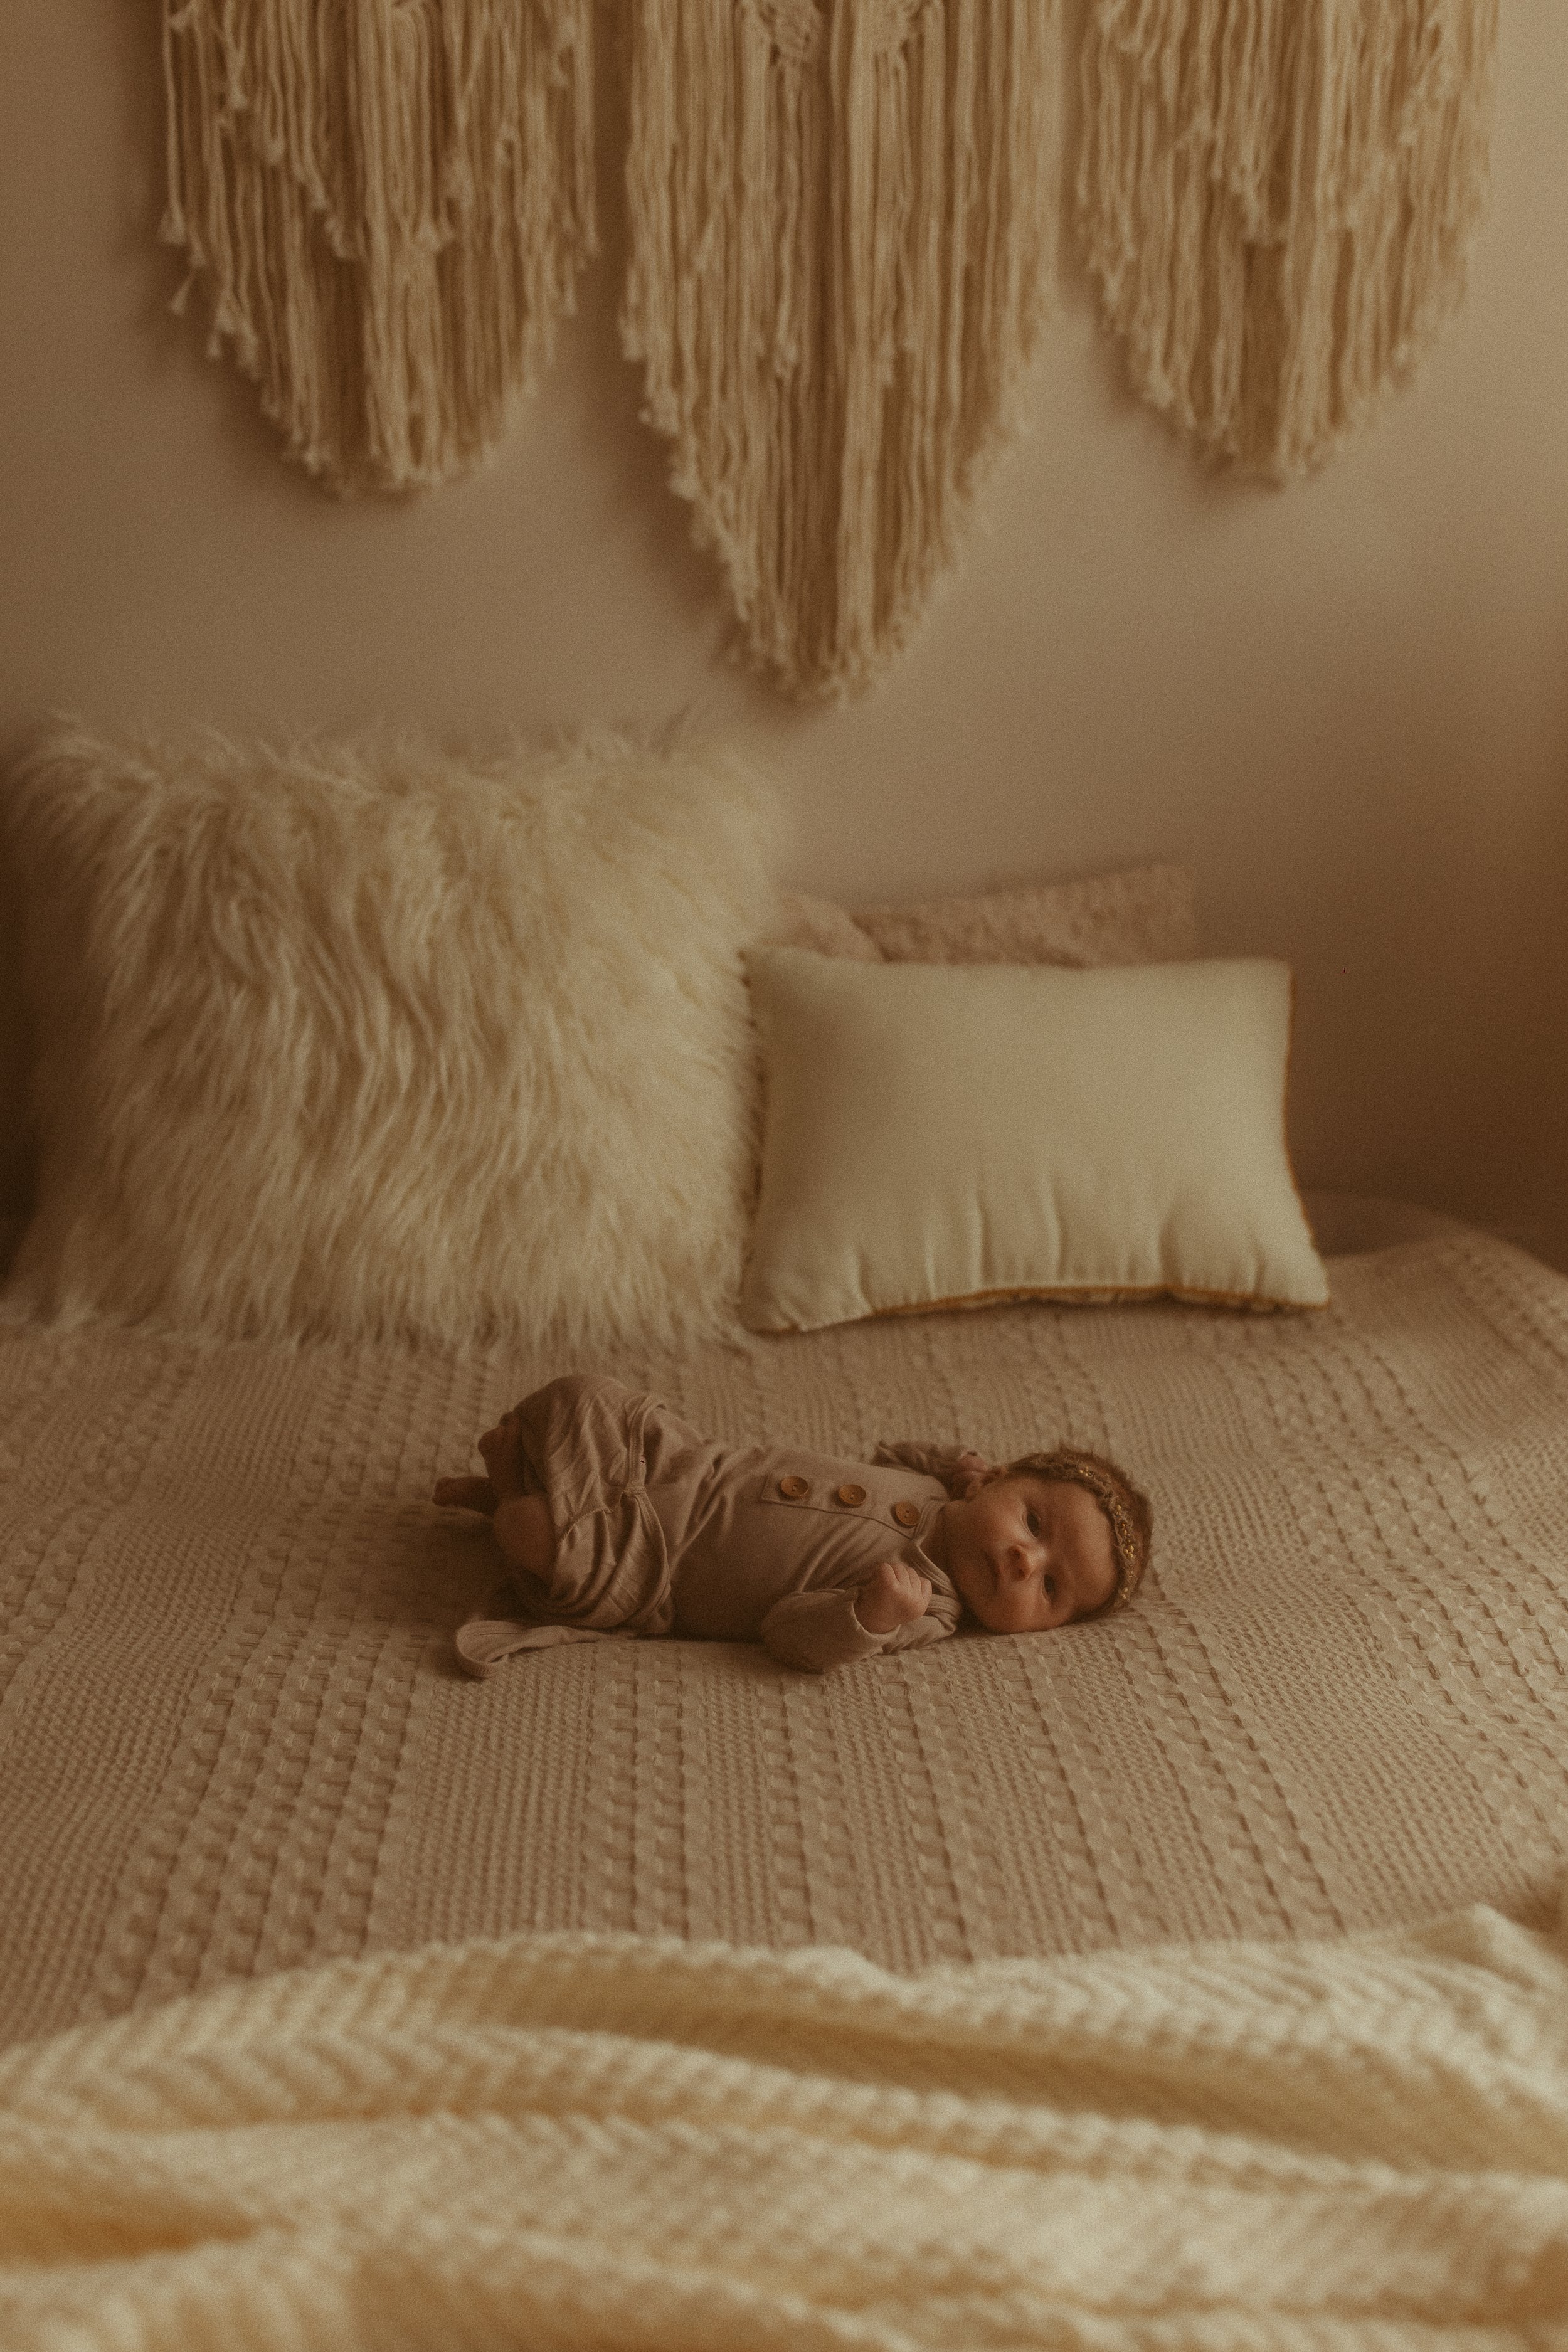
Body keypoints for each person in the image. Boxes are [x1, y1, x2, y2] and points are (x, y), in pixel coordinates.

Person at [434, 1373, 1152, 1677]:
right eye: (1034, 1522)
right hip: (690, 1464)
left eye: (1051, 1588)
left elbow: (790, 1632)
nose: (1026, 1560)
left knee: (539, 1535)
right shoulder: (937, 1488)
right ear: (995, 1477)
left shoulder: (924, 1606)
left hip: (653, 1563)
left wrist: (867, 1618)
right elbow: (889, 1454)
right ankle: (511, 1486)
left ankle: (509, 1491)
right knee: (587, 1394)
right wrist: (949, 1462)